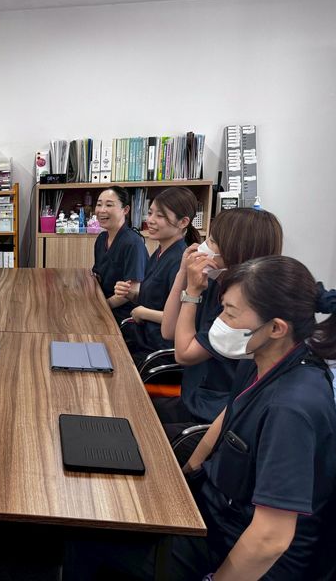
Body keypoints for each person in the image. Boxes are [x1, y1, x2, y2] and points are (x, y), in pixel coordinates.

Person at [65, 255, 336, 580]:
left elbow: (270, 539)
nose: (220, 321)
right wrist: (186, 474)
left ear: (276, 327)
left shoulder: (292, 408)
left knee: (85, 535)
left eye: (230, 313)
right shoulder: (263, 359)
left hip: (236, 551)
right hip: (215, 511)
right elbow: (228, 416)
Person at [157, 208, 282, 434]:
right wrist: (182, 273)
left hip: (213, 416)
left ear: (237, 251)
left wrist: (192, 292)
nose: (203, 246)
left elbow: (184, 354)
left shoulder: (244, 304)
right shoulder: (214, 282)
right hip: (192, 397)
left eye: (212, 241)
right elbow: (168, 330)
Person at [113, 187, 200, 361]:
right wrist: (131, 294)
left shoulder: (180, 262)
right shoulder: (160, 252)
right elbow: (156, 299)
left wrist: (143, 312)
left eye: (160, 216)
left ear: (183, 222)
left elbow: (181, 318)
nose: (150, 220)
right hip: (142, 338)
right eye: (150, 213)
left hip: (157, 350)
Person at [92, 186, 147, 324]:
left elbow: (132, 291)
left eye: (109, 205)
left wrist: (101, 307)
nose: (101, 210)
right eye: (99, 204)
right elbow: (98, 275)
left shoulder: (133, 243)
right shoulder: (101, 239)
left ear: (125, 210)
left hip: (123, 314)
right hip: (103, 303)